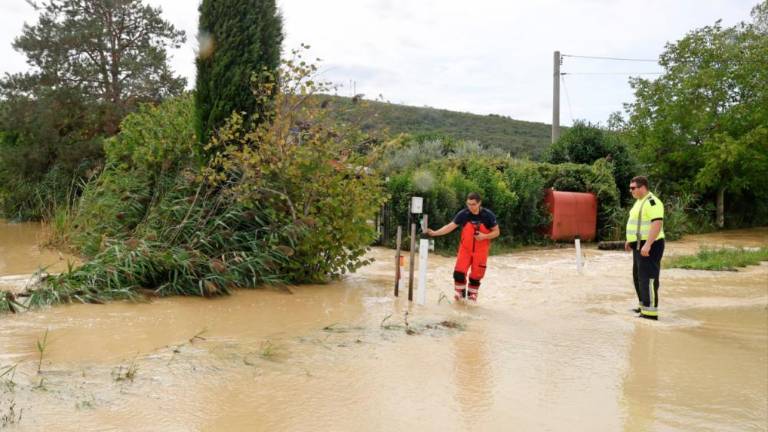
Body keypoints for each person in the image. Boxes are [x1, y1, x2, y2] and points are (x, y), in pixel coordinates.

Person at [426, 192, 500, 302]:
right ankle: (459, 295)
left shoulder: (488, 215)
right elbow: (450, 226)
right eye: (468, 204)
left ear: (479, 203)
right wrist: (435, 233)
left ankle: (472, 297)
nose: (471, 207)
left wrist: (484, 236)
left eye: (473, 204)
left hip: (481, 251)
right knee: (458, 273)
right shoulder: (463, 214)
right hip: (465, 250)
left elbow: (497, 232)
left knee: (476, 276)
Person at [624, 176, 665, 320]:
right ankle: (643, 306)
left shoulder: (652, 202)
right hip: (638, 245)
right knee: (638, 277)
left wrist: (648, 244)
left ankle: (650, 313)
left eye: (633, 188)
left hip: (650, 245)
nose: (631, 191)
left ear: (642, 187)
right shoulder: (639, 202)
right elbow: (638, 223)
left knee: (648, 278)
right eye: (630, 188)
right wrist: (629, 241)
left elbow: (657, 223)